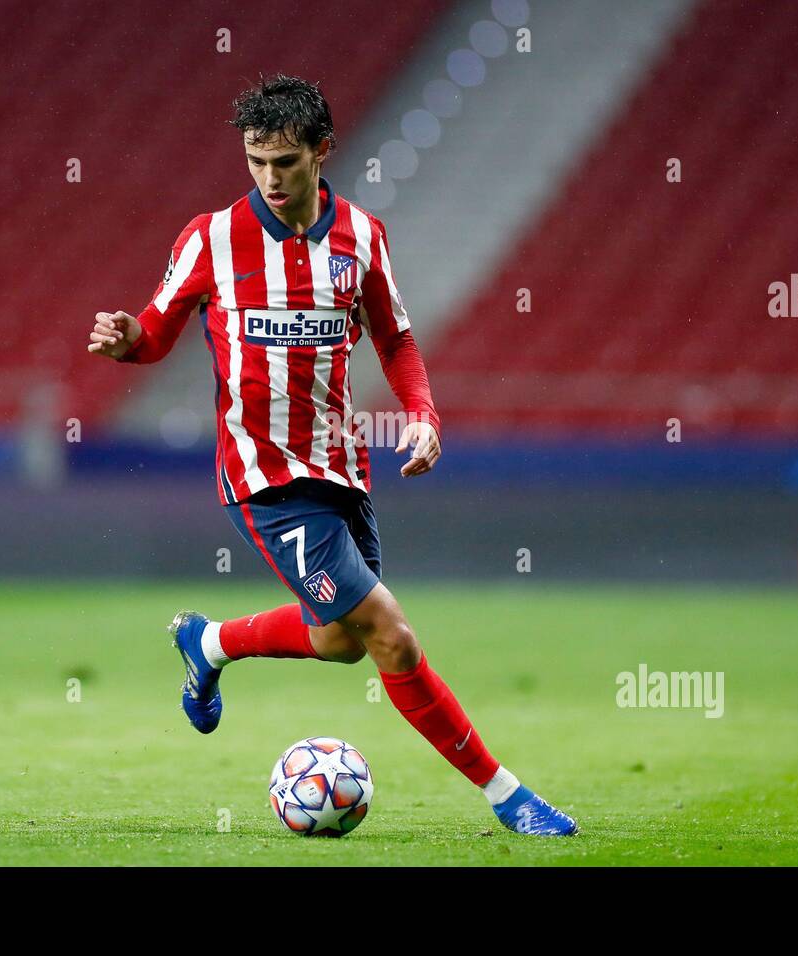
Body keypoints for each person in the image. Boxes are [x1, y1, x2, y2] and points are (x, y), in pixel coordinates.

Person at [88, 75, 576, 836]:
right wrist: (127, 344)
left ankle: (208, 643)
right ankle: (508, 795)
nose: (270, 179)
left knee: (339, 641)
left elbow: (395, 337)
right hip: (265, 478)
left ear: (324, 151)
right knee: (391, 635)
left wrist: (422, 412)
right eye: (255, 161)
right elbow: (153, 329)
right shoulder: (211, 239)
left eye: (285, 161)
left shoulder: (363, 237)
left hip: (342, 468)